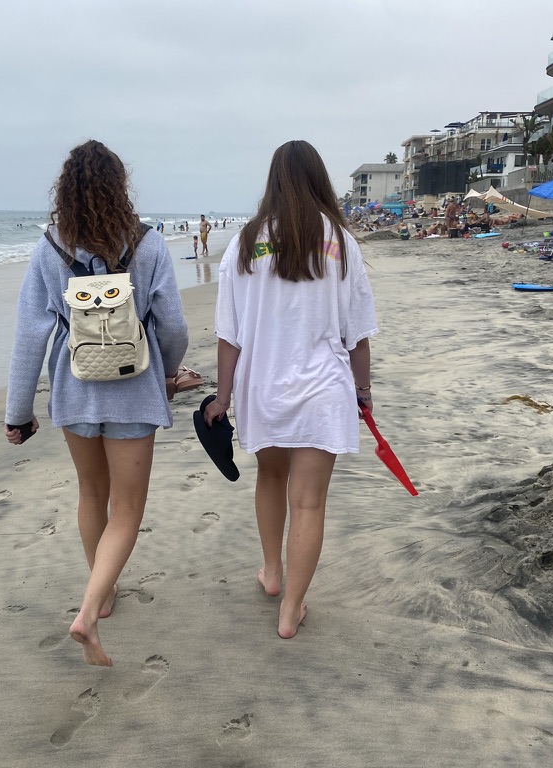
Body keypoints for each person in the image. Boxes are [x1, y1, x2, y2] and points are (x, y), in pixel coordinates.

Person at [4, 139, 190, 667]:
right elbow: (173, 325)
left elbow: (29, 334)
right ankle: (89, 610)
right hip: (135, 388)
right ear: (120, 186)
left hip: (75, 387)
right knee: (127, 508)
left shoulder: (49, 248)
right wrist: (169, 373)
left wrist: (18, 412)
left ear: (64, 191)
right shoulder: (148, 244)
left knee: (92, 493)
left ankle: (102, 594)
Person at [203, 140, 378, 640]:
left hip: (262, 387)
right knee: (309, 503)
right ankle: (291, 609)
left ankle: (273, 574)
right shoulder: (340, 241)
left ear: (274, 181)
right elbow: (357, 334)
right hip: (324, 389)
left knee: (269, 477)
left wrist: (222, 398)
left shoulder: (245, 242)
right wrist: (363, 391)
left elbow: (229, 335)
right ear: (319, 179)